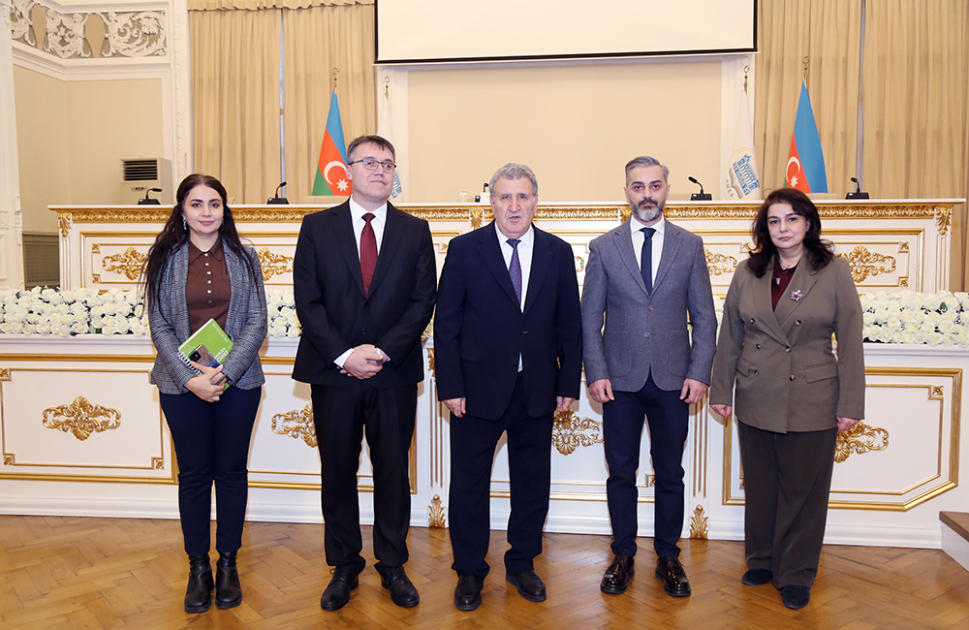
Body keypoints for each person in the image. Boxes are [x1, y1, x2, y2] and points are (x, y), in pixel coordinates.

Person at [292, 135, 437, 611]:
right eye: (369, 162)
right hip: (333, 373)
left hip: (391, 373)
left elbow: (422, 302)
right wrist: (344, 355)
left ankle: (393, 564)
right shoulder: (317, 227)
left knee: (392, 469)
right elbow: (308, 301)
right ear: (348, 170)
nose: (380, 170)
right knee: (337, 469)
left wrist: (381, 351)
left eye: (388, 163)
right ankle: (344, 565)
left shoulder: (416, 231)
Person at [434, 163, 582, 611]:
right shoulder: (464, 250)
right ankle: (470, 571)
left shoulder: (558, 252)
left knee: (532, 481)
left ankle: (521, 563)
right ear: (491, 201)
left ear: (536, 201)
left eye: (522, 197)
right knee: (470, 485)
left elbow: (569, 324)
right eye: (504, 197)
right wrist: (450, 386)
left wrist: (567, 381)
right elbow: (447, 325)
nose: (514, 205)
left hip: (537, 387)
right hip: (476, 390)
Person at [709, 187, 865, 610]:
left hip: (813, 396)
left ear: (808, 224)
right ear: (765, 228)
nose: (783, 228)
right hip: (757, 391)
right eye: (774, 221)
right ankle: (761, 559)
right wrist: (722, 390)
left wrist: (851, 402)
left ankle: (796, 572)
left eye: (792, 219)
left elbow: (850, 340)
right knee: (761, 486)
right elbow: (731, 337)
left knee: (803, 490)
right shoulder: (748, 272)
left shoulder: (833, 271)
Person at [581, 156, 717, 599]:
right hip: (618, 381)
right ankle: (622, 554)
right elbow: (589, 320)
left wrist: (699, 373)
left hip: (675, 381)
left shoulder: (689, 245)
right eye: (638, 187)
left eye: (654, 186)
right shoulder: (604, 247)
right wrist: (596, 372)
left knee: (670, 472)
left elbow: (704, 317)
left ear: (667, 189)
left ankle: (668, 556)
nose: (647, 195)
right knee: (620, 472)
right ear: (626, 191)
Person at [144, 173, 267, 613]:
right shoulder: (163, 258)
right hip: (181, 387)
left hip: (238, 384)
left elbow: (257, 321)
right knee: (195, 475)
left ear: (224, 209)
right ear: (182, 211)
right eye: (196, 204)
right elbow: (158, 325)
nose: (206, 212)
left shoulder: (245, 256)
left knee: (231, 473)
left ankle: (229, 564)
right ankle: (199, 567)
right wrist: (190, 378)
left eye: (214, 204)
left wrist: (225, 374)